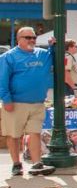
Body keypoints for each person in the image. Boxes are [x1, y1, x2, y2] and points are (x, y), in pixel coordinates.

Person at [1, 27, 54, 176]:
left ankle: (37, 164)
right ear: (19, 39)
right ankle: (16, 164)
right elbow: (2, 80)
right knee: (14, 135)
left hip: (37, 102)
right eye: (27, 37)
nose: (31, 40)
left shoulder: (43, 54)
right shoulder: (8, 57)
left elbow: (55, 53)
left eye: (33, 38)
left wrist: (53, 45)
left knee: (35, 133)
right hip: (15, 103)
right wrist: (6, 99)